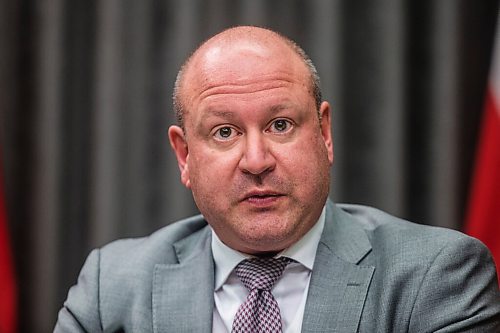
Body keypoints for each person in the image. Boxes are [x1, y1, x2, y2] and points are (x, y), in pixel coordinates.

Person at [55, 26, 500, 332]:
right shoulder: (111, 286)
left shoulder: (436, 278)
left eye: (280, 125)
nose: (256, 160)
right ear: (184, 155)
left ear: (325, 134)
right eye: (224, 132)